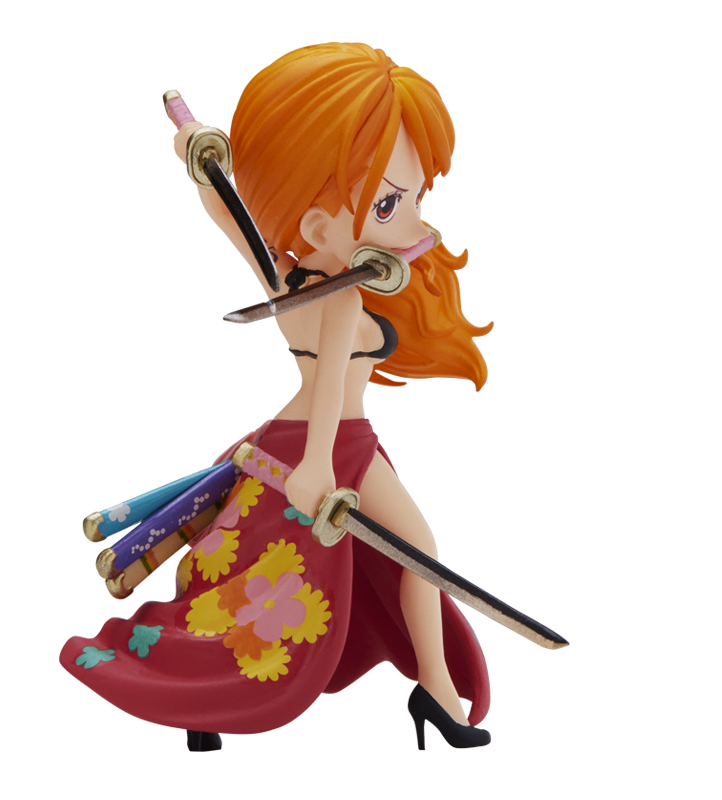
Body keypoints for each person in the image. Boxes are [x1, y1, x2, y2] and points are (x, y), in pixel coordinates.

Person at [61, 42, 493, 751]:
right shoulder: (339, 297)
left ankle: (423, 692)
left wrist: (202, 161)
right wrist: (319, 464)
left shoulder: (287, 279)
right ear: (319, 226)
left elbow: (228, 212)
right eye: (389, 203)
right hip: (327, 441)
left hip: (302, 440)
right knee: (410, 551)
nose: (415, 225)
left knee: (259, 566)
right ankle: (431, 693)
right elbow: (330, 386)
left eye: (414, 199)